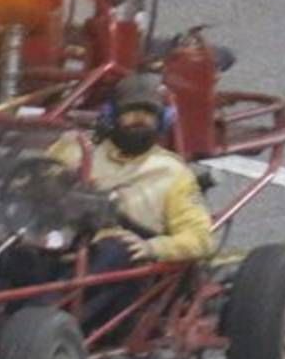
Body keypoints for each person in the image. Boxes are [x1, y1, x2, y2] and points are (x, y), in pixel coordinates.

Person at [51, 71, 215, 327]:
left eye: (148, 114)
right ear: (111, 117)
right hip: (64, 238)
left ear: (162, 122)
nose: (139, 119)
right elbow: (31, 181)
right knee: (13, 251)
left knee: (116, 249)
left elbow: (201, 239)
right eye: (130, 112)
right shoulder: (78, 150)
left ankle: (53, 322)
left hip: (124, 265)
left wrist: (152, 247)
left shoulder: (172, 173)